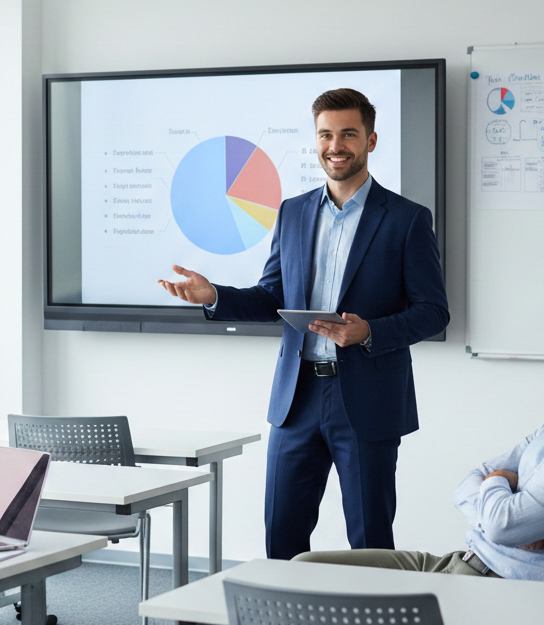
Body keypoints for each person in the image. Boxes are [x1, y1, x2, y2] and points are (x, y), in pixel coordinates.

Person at [159, 88, 449, 558]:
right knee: (282, 537)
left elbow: (433, 311)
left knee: (370, 542)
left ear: (371, 140)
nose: (336, 145)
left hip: (367, 400)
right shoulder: (292, 212)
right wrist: (215, 297)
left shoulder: (407, 220)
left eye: (348, 134)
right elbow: (272, 296)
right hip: (297, 400)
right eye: (326, 134)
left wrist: (369, 331)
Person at [295, 300, 544, 585]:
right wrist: (510, 517)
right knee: (302, 569)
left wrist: (501, 490)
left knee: (315, 594)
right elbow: (469, 486)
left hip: (498, 590)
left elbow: (502, 521)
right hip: (457, 564)